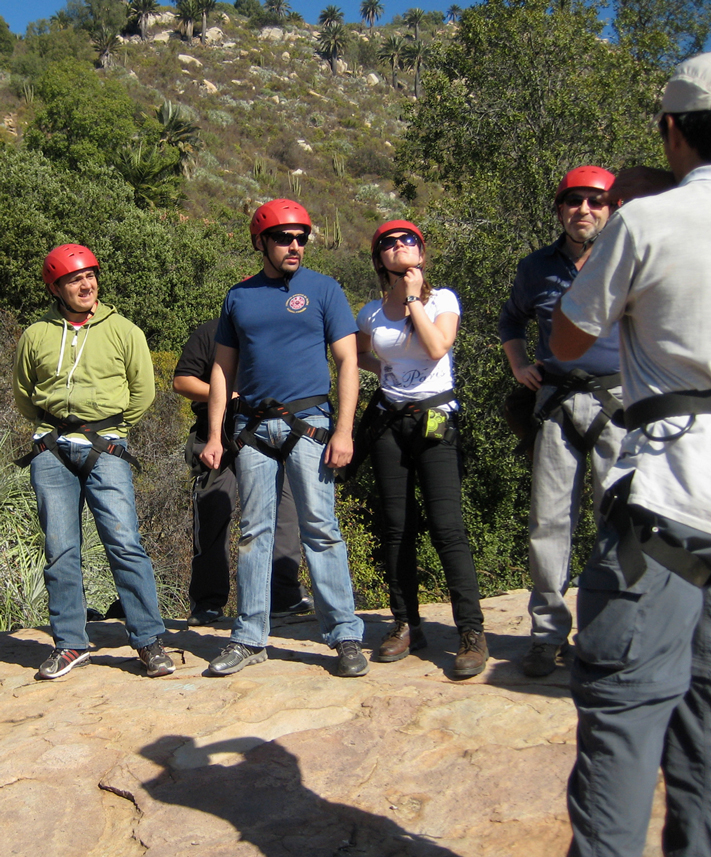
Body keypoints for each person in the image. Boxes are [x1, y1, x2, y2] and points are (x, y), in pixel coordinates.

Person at [549, 52, 711, 857]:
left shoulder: (644, 224)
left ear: (673, 129)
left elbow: (568, 333)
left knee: (623, 710)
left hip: (668, 505)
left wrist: (636, 213)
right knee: (708, 722)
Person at [200, 199, 367, 678]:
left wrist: (344, 429)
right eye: (283, 237)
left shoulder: (323, 289)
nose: (294, 245)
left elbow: (348, 361)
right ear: (260, 242)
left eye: (300, 238)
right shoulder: (239, 297)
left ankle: (345, 636)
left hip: (308, 423)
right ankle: (250, 637)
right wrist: (215, 434)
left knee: (320, 528)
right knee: (254, 531)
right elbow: (221, 369)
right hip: (251, 429)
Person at [12, 244, 174, 679]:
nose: (85, 285)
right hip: (51, 451)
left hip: (106, 449)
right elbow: (24, 395)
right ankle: (70, 644)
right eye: (73, 279)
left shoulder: (124, 330)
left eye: (89, 276)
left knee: (124, 543)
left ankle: (147, 641)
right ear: (56, 288)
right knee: (60, 549)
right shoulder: (36, 334)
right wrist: (52, 431)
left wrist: (110, 432)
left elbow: (143, 393)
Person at [498, 166, 626, 678]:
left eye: (596, 201)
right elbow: (511, 318)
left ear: (612, 209)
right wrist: (519, 364)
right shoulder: (536, 268)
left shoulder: (630, 260)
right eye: (575, 201)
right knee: (549, 523)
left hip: (618, 401)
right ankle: (547, 635)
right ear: (560, 209)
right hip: (555, 403)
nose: (585, 210)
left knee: (616, 524)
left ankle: (607, 633)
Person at [355, 220, 488, 677]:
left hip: (435, 421)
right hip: (391, 422)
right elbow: (355, 354)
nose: (398, 247)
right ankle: (405, 624)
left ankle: (470, 632)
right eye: (388, 244)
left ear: (421, 252)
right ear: (379, 260)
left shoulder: (442, 299)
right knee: (396, 527)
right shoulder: (370, 313)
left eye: (407, 240)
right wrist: (388, 372)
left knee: (447, 527)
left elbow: (436, 347)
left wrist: (413, 298)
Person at [173, 318, 314, 626]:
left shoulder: (278, 329)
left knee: (285, 511)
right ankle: (208, 603)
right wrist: (226, 396)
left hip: (269, 433)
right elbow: (182, 381)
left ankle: (284, 595)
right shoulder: (210, 332)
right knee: (213, 510)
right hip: (218, 434)